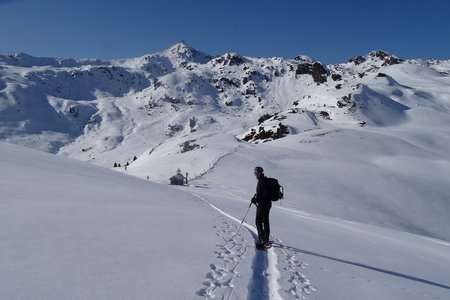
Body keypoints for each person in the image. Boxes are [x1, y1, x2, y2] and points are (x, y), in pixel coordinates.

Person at [251, 166, 272, 248]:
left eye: (256, 172)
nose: (255, 174)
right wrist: (255, 198)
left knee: (258, 221)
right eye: (254, 172)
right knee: (265, 221)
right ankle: (265, 239)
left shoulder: (262, 181)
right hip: (266, 204)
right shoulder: (263, 180)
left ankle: (262, 239)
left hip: (263, 204)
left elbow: (265, 193)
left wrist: (256, 200)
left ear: (260, 173)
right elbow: (263, 193)